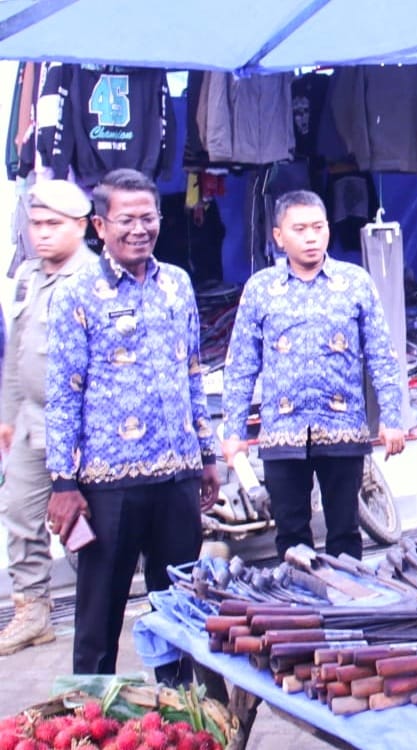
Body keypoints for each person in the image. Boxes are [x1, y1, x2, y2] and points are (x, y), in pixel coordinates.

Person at [45, 169, 219, 675]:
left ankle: (185, 718)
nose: (139, 229)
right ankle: (89, 723)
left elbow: (193, 373)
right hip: (108, 485)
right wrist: (63, 481)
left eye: (149, 218)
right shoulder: (77, 294)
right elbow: (62, 393)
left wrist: (205, 456)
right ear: (100, 225)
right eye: (126, 220)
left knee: (179, 610)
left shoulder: (178, 286)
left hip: (177, 477)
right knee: (99, 618)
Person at [221, 190, 406, 561]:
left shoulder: (354, 282)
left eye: (318, 228)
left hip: (343, 428)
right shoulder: (260, 289)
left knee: (344, 530)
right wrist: (233, 432)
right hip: (282, 433)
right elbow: (241, 365)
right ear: (278, 236)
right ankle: (299, 607)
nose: (311, 237)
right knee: (290, 532)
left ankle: (347, 606)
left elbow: (382, 355)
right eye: (300, 229)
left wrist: (392, 418)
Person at [0, 180, 98, 656]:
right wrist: (8, 413)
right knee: (19, 510)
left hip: (79, 424)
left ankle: (98, 611)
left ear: (80, 227)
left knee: (85, 521)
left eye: (52, 225)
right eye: (35, 224)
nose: (40, 234)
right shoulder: (27, 276)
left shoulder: (95, 279)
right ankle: (32, 609)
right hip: (32, 417)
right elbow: (16, 349)